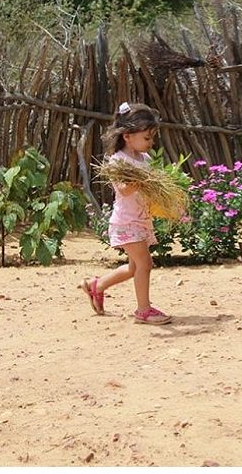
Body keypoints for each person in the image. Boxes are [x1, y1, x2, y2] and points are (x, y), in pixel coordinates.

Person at [81, 102, 172, 325]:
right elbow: (122, 189)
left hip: (141, 220)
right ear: (128, 136)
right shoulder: (118, 162)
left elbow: (148, 191)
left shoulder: (146, 160)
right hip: (126, 222)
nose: (151, 143)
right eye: (147, 138)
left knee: (134, 267)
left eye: (152, 138)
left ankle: (97, 285)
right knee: (145, 264)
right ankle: (143, 310)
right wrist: (141, 181)